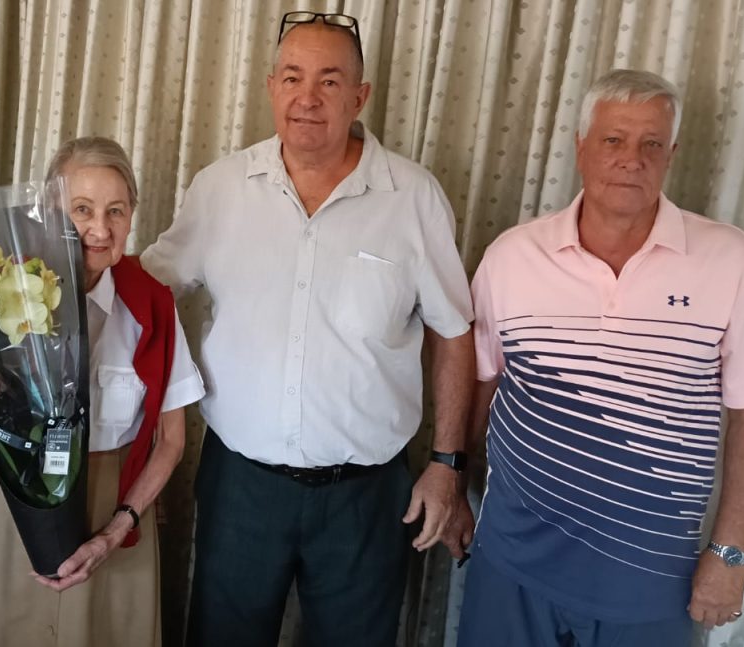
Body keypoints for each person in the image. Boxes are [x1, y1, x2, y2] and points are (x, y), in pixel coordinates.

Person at [140, 12, 475, 647]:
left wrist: (447, 465)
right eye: (292, 77)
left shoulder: (414, 196)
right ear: (271, 87)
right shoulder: (220, 188)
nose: (308, 98)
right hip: (240, 486)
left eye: (329, 80)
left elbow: (453, 333)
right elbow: (148, 292)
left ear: (360, 96)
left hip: (366, 497)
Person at [457, 69, 744, 647]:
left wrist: (731, 552)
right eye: (613, 139)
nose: (631, 159)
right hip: (512, 562)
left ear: (672, 156)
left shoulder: (730, 260)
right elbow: (478, 387)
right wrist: (455, 486)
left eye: (651, 144)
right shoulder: (513, 256)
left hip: (651, 577)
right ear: (581, 147)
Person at [0, 136, 205, 647]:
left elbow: (172, 441)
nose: (100, 229)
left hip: (116, 510)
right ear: (49, 212)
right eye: (82, 209)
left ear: (132, 216)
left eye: (116, 211)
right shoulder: (2, 289)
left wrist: (117, 528)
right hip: (21, 506)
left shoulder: (152, 304)